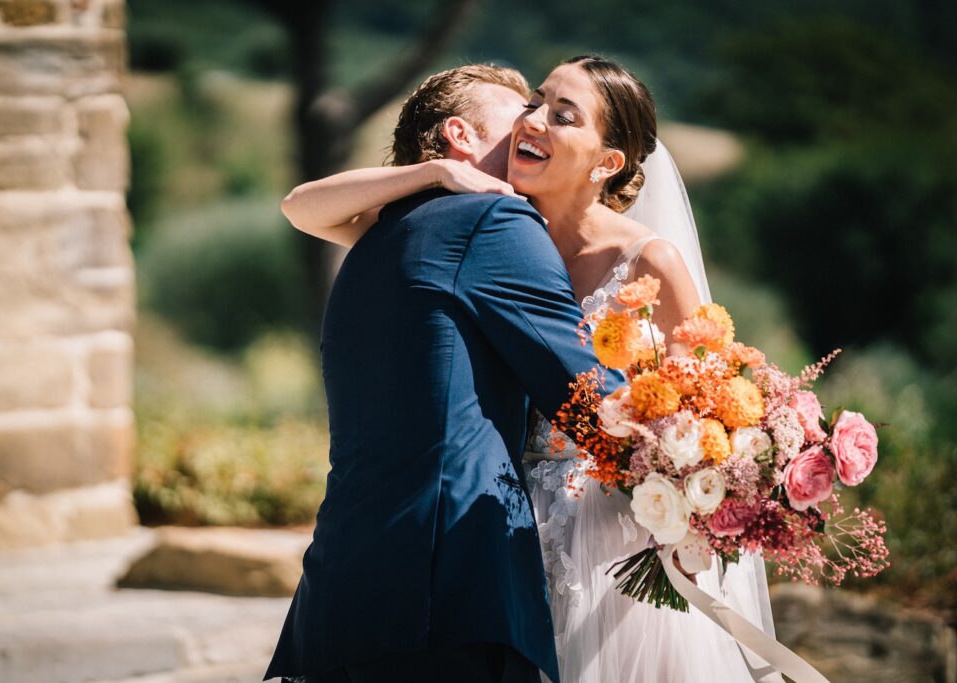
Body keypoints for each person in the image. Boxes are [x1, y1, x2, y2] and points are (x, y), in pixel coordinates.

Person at [280, 55, 783, 683]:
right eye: (531, 104)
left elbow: (689, 399)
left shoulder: (633, 255)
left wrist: (700, 472)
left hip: (598, 526)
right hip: (500, 526)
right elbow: (301, 206)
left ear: (607, 163)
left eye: (556, 113)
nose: (532, 122)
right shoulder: (482, 225)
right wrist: (438, 172)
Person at [265, 64, 623, 683]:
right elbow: (584, 396)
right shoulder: (494, 222)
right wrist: (707, 444)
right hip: (446, 581)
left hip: (345, 581)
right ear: (460, 136)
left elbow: (302, 206)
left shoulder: (384, 233)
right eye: (520, 119)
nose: (532, 129)